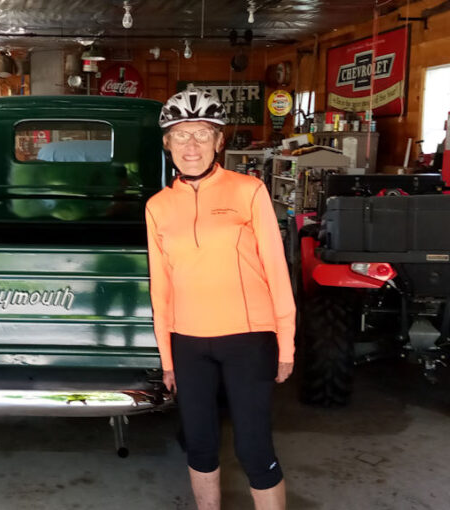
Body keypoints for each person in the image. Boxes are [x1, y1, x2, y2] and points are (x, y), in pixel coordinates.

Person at [145, 89, 296, 510]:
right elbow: (162, 288)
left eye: (202, 134)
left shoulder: (249, 191)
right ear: (167, 143)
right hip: (188, 342)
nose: (191, 146)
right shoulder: (157, 206)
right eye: (181, 135)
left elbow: (276, 270)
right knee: (199, 444)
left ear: (219, 142)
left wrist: (286, 341)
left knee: (253, 447)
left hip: (248, 338)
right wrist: (168, 358)